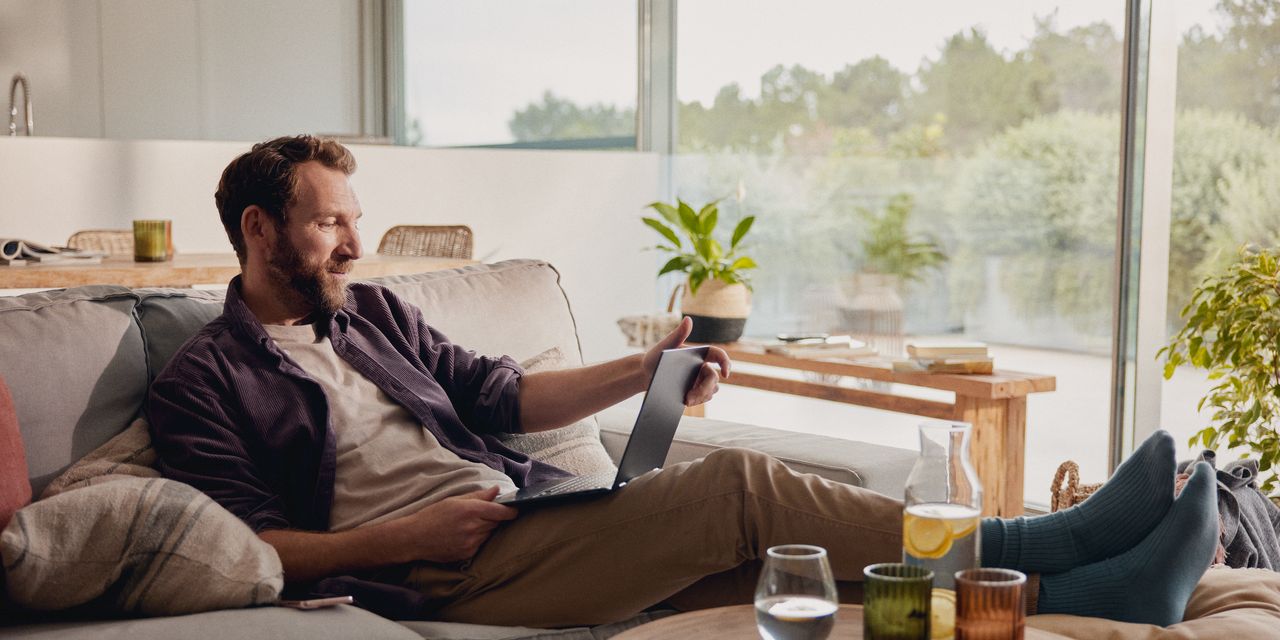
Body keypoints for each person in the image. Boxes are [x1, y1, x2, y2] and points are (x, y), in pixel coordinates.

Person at [148, 135, 1220, 629]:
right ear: (259, 228)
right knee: (738, 488)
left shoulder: (373, 311)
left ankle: (1089, 592)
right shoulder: (206, 379)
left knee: (774, 576)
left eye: (353, 215)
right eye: (331, 218)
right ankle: (1046, 539)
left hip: (525, 518)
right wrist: (398, 542)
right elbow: (252, 545)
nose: (354, 238)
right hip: (436, 573)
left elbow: (505, 399)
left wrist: (646, 370)